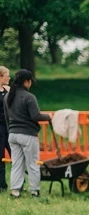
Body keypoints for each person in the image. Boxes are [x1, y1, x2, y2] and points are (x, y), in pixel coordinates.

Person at [4, 69, 50, 198]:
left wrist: (11, 132)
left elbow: (7, 118)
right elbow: (35, 116)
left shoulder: (8, 96)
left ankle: (15, 191)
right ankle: (34, 190)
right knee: (33, 163)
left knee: (16, 164)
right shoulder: (29, 97)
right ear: (26, 81)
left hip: (12, 134)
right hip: (28, 135)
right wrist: (48, 117)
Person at [0, 65, 10, 191]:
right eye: (7, 75)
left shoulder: (8, 90)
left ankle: (20, 183)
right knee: (1, 157)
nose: (9, 77)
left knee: (16, 154)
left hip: (8, 126)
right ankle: (2, 185)